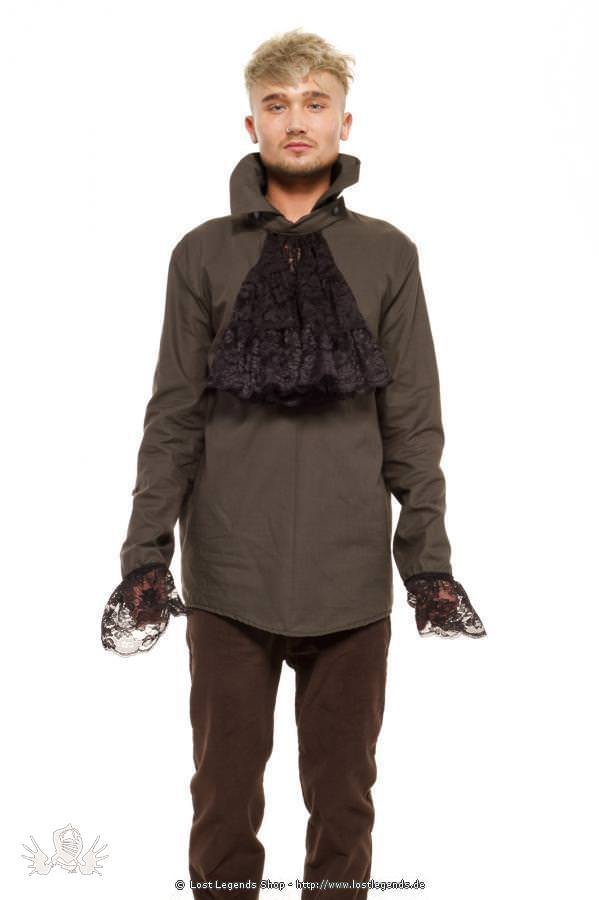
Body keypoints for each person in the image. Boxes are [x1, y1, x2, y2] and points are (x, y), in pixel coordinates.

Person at [102, 27, 486, 900]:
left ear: (344, 122)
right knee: (221, 803)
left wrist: (426, 564)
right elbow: (173, 415)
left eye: (315, 103)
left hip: (349, 575)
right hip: (229, 572)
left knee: (345, 806)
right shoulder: (201, 252)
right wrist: (144, 555)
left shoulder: (388, 253)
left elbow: (413, 423)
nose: (297, 120)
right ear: (252, 123)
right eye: (277, 105)